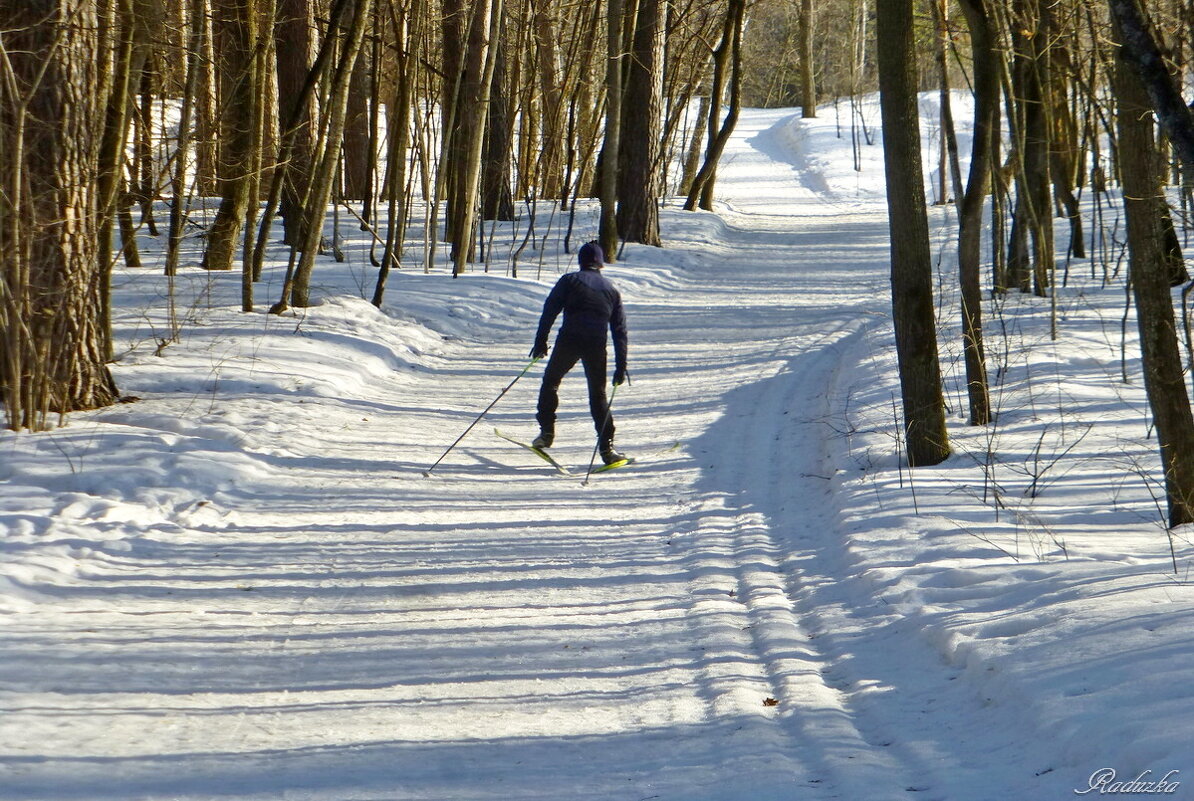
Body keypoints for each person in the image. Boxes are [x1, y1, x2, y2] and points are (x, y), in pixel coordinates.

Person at [530, 241, 629, 465]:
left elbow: (550, 310)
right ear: (601, 263)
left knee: (551, 382)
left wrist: (540, 341)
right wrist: (621, 365)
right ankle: (607, 449)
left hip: (569, 341)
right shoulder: (612, 290)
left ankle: (546, 433)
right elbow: (620, 331)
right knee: (598, 395)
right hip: (596, 345)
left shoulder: (570, 280)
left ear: (581, 261)